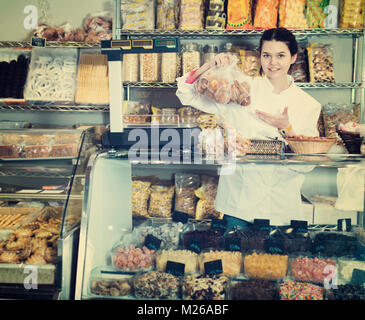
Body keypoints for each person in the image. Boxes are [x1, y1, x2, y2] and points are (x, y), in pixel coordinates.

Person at [176, 27, 321, 229]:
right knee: (234, 260)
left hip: (280, 208)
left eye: (281, 55)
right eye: (266, 55)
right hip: (239, 204)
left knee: (273, 261)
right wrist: (211, 66)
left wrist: (286, 129)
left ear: (293, 57)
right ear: (259, 56)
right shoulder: (242, 88)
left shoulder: (308, 105)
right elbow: (187, 93)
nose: (273, 63)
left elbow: (307, 165)